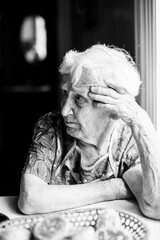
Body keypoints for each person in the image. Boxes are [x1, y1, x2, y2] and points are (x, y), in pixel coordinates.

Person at [18, 44, 160, 219]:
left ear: (112, 108)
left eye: (79, 98)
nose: (64, 111)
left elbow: (155, 206)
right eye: (65, 94)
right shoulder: (51, 126)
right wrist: (112, 188)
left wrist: (141, 122)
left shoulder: (127, 141)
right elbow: (30, 200)